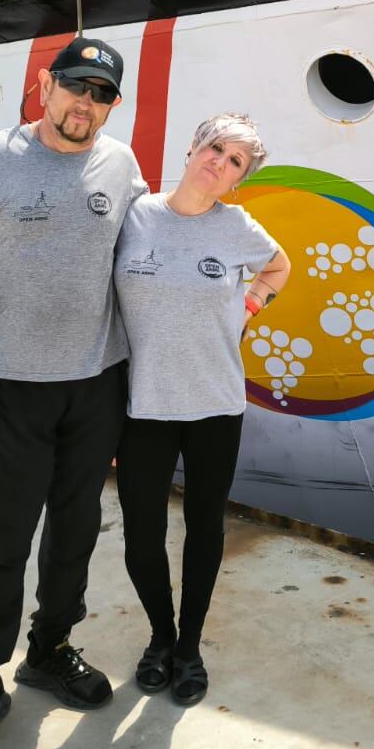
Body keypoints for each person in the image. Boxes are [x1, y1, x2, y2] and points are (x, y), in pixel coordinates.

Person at [0, 36, 146, 749]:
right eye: (75, 86)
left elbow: (146, 258)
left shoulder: (120, 165)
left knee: (75, 532)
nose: (84, 103)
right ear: (46, 86)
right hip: (11, 387)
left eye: (101, 94)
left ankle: (49, 647)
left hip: (97, 384)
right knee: (0, 540)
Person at [113, 113, 291, 706]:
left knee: (204, 529)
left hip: (216, 402)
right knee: (142, 535)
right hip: (145, 404)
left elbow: (279, 265)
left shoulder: (237, 226)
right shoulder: (135, 214)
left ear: (238, 179)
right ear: (192, 148)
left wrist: (253, 302)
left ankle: (188, 646)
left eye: (235, 161)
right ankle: (159, 637)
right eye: (215, 148)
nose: (220, 161)